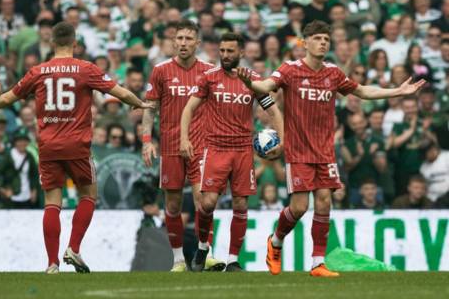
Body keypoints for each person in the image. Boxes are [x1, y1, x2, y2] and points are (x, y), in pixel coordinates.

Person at [236, 20, 426, 277]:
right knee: (300, 207)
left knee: (325, 202)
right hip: (299, 150)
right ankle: (276, 241)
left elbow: (362, 92)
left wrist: (397, 91)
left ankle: (317, 263)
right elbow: (266, 87)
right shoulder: (290, 70)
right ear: (305, 42)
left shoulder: (333, 73)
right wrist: (250, 83)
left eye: (326, 39)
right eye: (318, 38)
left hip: (325, 151)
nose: (323, 42)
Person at [0, 22, 151, 274]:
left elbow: (5, 99)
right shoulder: (85, 69)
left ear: (51, 44)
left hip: (48, 146)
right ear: (75, 44)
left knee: (52, 203)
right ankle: (74, 248)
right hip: (77, 145)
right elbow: (119, 92)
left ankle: (51, 264)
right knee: (89, 195)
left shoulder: (38, 71)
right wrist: (140, 104)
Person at [181, 32, 283, 272]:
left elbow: (274, 111)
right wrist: (184, 138)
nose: (225, 55)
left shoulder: (253, 81)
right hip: (215, 148)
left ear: (241, 53)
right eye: (222, 51)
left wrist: (283, 142)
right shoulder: (209, 78)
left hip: (242, 150)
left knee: (241, 205)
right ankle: (204, 246)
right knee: (207, 204)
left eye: (230, 51)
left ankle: (233, 259)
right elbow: (189, 108)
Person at [142, 20, 225, 272]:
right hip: (170, 146)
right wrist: (147, 141)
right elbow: (150, 109)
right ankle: (178, 259)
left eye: (189, 39)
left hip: (201, 146)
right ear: (173, 41)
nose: (183, 43)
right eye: (179, 38)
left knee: (204, 201)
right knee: (174, 205)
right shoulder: (160, 70)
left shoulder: (210, 71)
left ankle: (204, 252)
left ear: (197, 43)